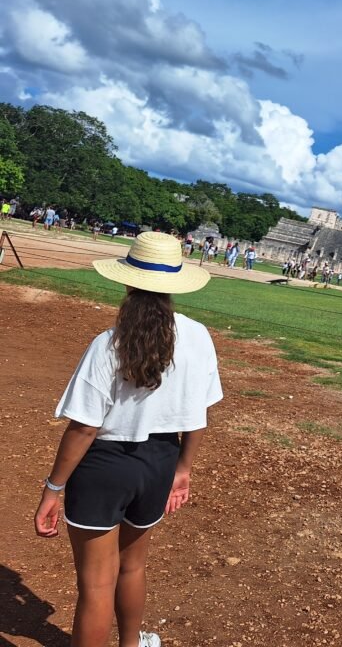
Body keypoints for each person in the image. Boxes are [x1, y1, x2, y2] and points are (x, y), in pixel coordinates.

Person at [34, 231, 221, 647]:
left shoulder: (109, 344)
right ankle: (131, 644)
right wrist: (183, 469)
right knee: (133, 567)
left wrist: (53, 489)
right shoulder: (199, 336)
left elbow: (84, 427)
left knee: (96, 586)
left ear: (127, 281)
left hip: (104, 466)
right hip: (159, 461)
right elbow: (198, 414)